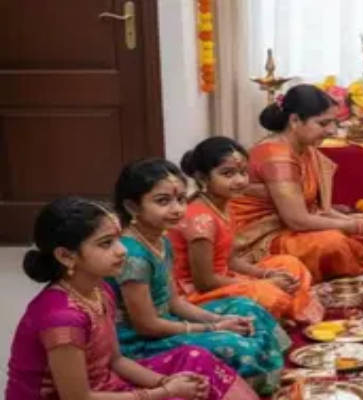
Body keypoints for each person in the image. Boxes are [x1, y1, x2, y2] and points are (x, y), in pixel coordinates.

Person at [5, 197, 258, 400]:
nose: (122, 250)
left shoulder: (100, 290)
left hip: (106, 386)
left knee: (195, 359)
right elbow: (77, 397)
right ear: (66, 256)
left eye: (118, 239)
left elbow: (116, 360)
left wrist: (164, 382)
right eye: (106, 243)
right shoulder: (62, 319)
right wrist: (161, 393)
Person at [110, 158, 288, 396]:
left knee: (247, 308)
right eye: (163, 201)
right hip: (142, 344)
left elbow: (174, 302)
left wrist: (218, 319)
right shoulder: (132, 256)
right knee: (233, 344)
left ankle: (279, 375)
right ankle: (252, 389)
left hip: (169, 320)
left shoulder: (160, 240)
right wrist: (213, 327)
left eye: (181, 199)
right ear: (132, 207)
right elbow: (147, 325)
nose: (177, 209)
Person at [229, 84, 363, 282]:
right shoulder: (276, 155)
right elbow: (297, 220)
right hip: (260, 238)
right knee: (332, 242)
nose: (331, 131)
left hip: (293, 227)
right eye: (323, 124)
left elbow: (317, 209)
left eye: (334, 123)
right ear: (295, 120)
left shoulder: (305, 149)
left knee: (357, 227)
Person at [169, 137, 324, 324]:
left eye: (243, 172)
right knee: (268, 294)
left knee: (289, 265)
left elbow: (231, 261)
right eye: (228, 174)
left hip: (227, 278)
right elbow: (204, 282)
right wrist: (260, 283)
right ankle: (280, 312)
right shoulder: (200, 219)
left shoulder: (224, 207)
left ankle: (279, 313)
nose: (240, 181)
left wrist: (266, 274)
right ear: (203, 178)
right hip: (197, 295)